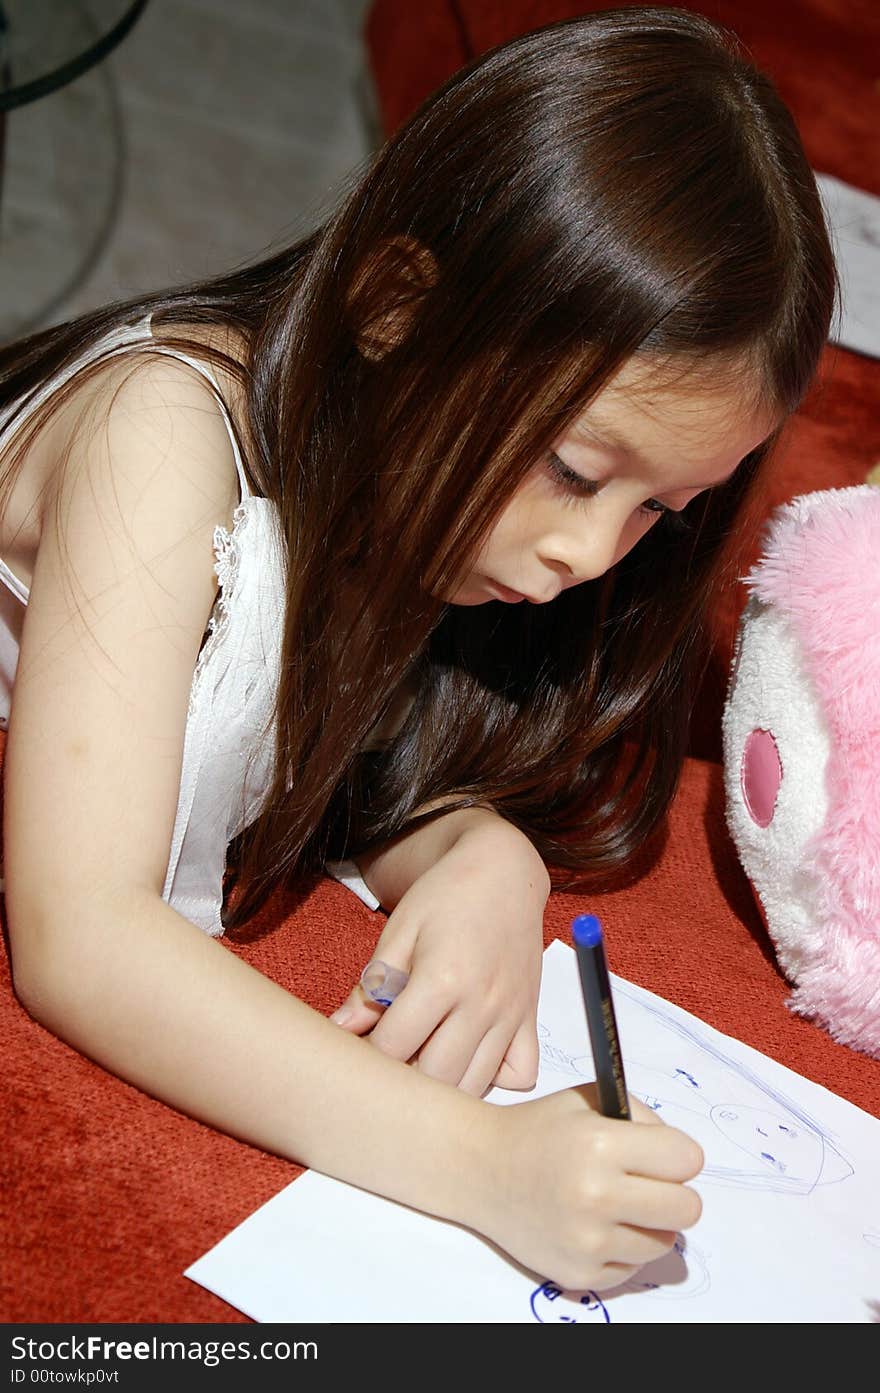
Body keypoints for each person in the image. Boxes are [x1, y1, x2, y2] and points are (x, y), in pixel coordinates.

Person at [0, 6, 835, 1294]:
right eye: (574, 469)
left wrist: (475, 848)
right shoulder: (158, 434)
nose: (595, 557)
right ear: (396, 307)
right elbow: (83, 935)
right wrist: (482, 1164)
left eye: (660, 510)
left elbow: (288, 757)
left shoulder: (433, 508)